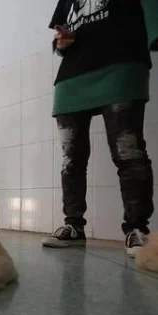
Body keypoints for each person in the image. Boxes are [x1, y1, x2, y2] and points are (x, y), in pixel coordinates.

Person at [42, 0, 158, 257]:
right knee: (71, 159)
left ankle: (137, 228)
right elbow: (59, 40)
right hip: (71, 79)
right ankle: (73, 225)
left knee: (128, 152)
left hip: (122, 65)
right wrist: (60, 43)